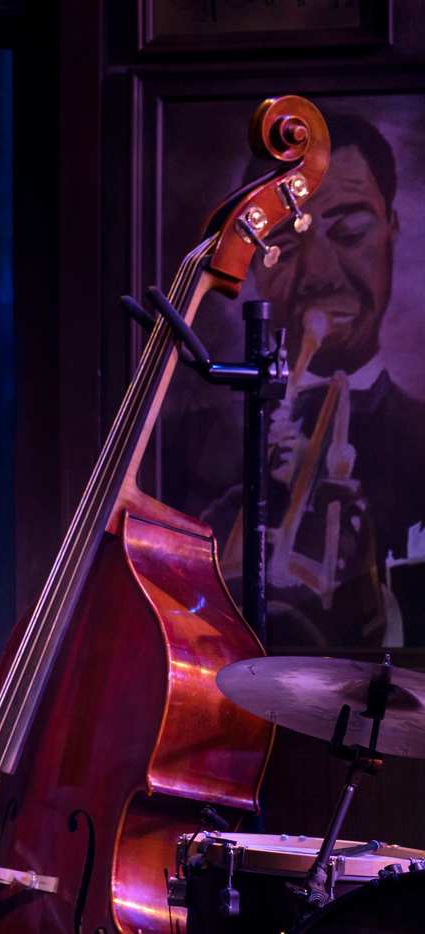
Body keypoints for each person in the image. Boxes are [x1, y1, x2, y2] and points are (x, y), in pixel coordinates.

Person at [169, 112, 425, 646]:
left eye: (351, 231)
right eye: (285, 241)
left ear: (392, 233)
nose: (322, 272)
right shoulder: (182, 445)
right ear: (255, 262)